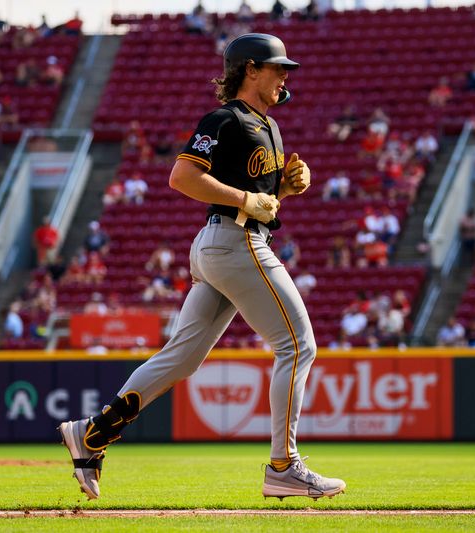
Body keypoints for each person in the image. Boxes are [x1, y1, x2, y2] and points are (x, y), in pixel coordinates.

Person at [57, 33, 345, 501]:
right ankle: (283, 465)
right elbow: (183, 177)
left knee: (181, 358)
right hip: (234, 242)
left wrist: (288, 189)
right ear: (250, 69)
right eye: (277, 67)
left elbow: (262, 202)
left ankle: (93, 433)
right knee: (298, 345)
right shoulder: (224, 118)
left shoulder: (269, 125)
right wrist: (247, 199)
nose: (285, 76)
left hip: (225, 244)